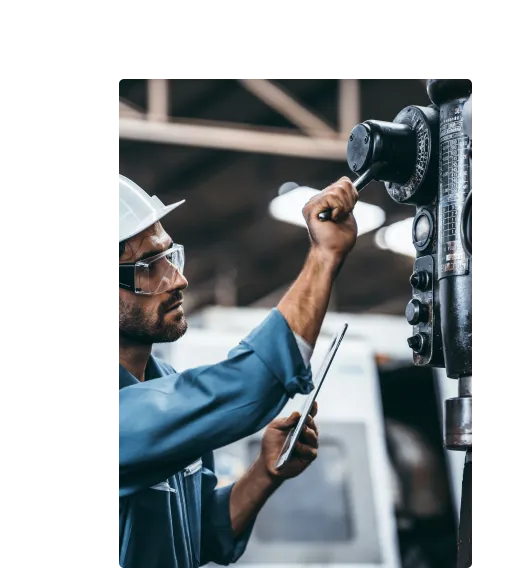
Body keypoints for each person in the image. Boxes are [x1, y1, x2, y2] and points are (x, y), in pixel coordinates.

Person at [114, 172, 359, 568]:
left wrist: (264, 472)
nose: (178, 279)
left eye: (169, 257)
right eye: (146, 267)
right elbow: (247, 385)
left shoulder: (168, 396)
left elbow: (202, 535)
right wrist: (323, 258)